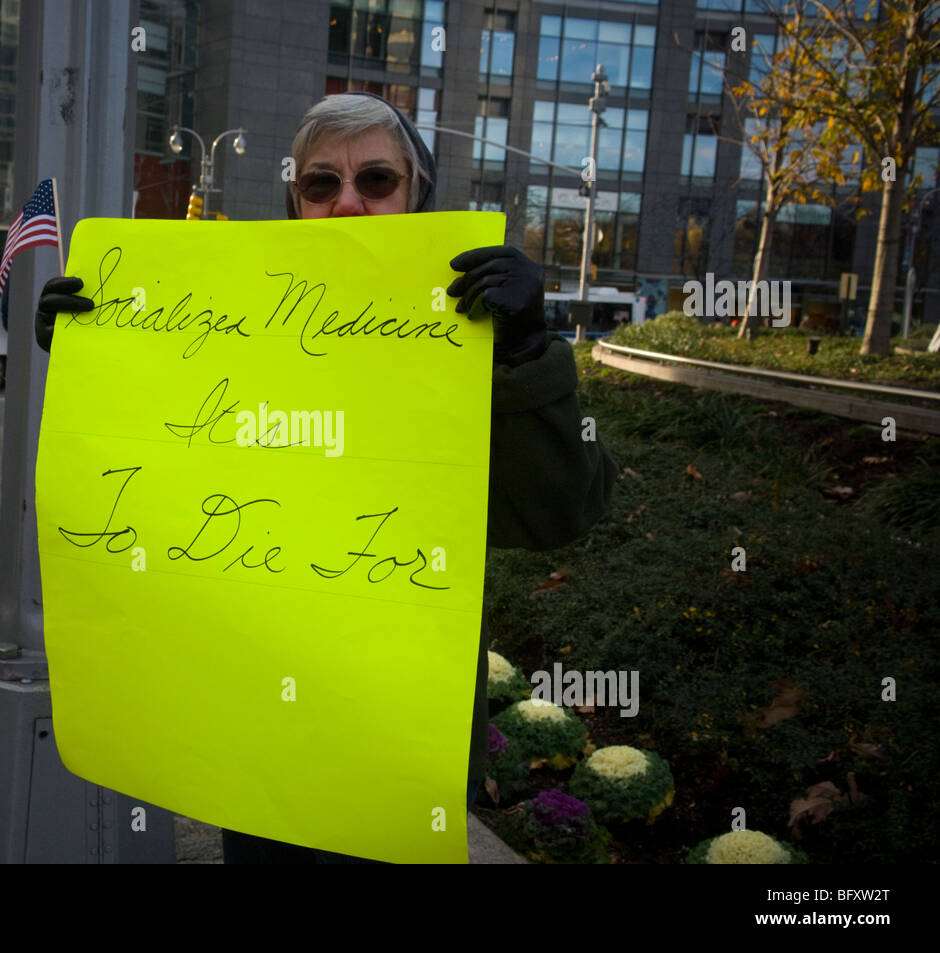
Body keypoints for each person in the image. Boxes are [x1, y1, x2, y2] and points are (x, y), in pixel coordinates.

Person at [34, 92, 617, 863]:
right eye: (321, 185)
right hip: (262, 734)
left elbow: (559, 512)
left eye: (376, 181)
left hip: (398, 734)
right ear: (296, 203)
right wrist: (93, 357)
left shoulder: (472, 334)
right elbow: (154, 487)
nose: (347, 203)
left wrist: (523, 356)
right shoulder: (232, 321)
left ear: (416, 196)